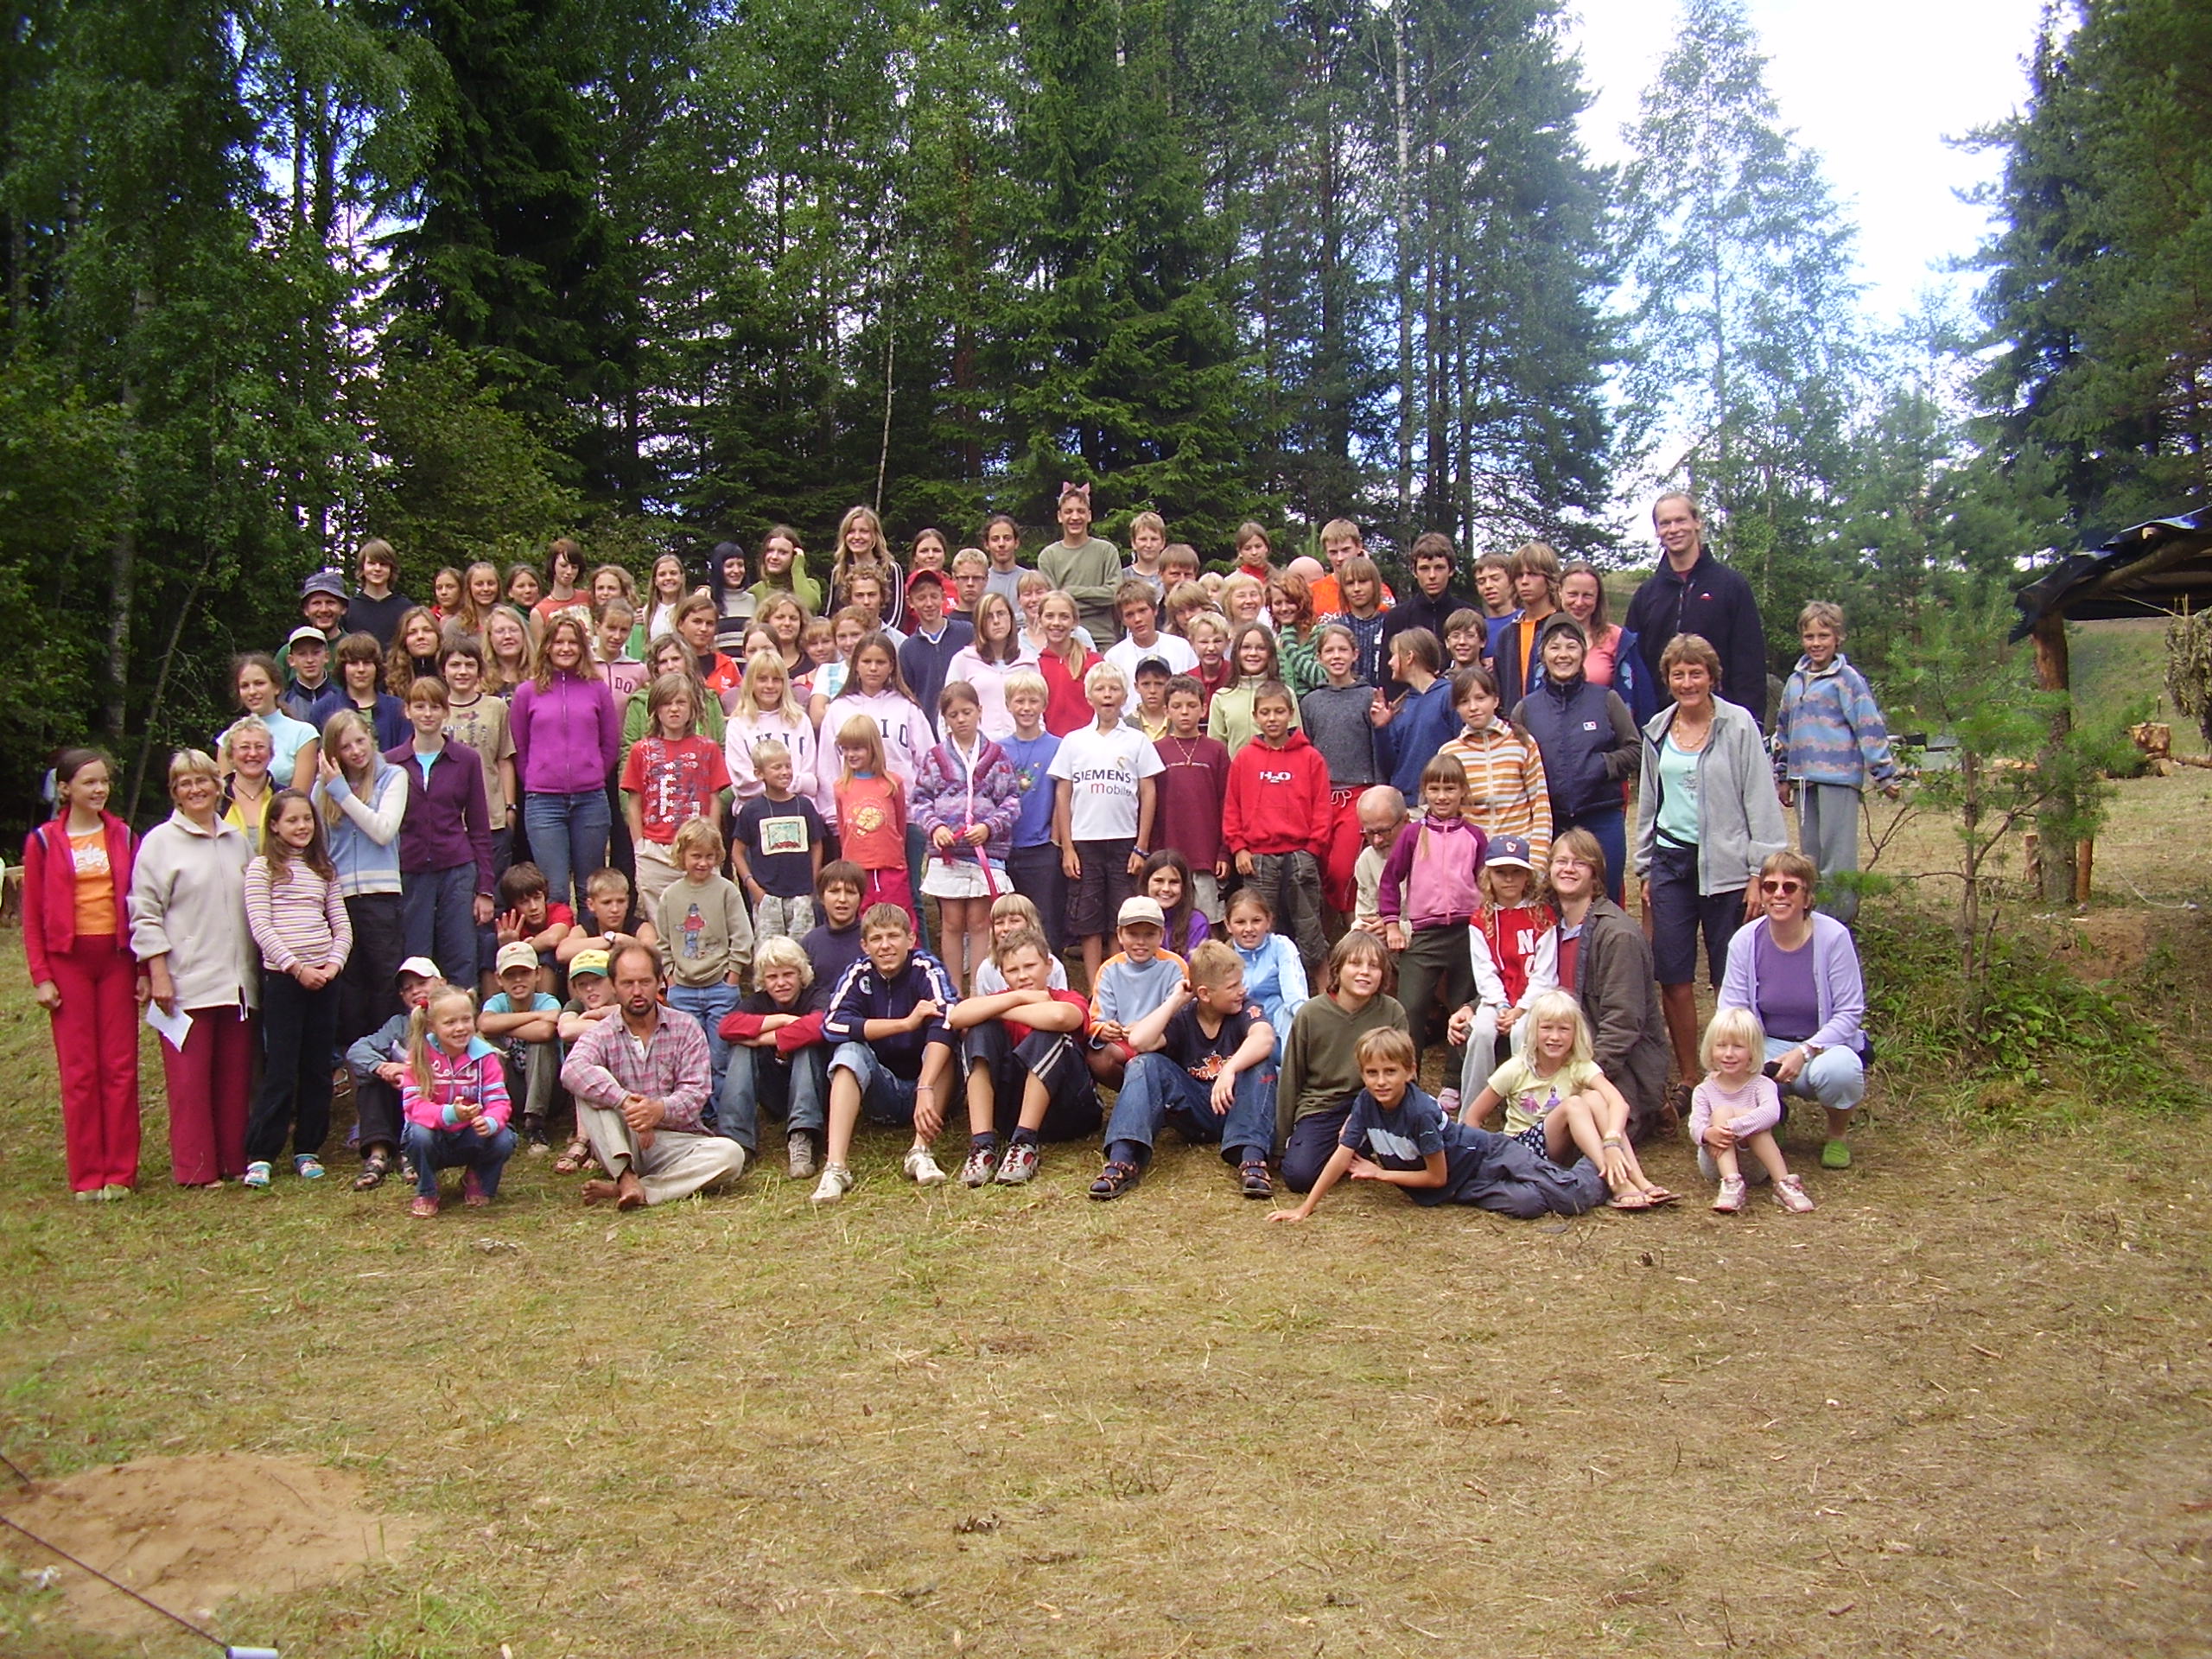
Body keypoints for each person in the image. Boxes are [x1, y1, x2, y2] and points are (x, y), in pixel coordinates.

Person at [1636, 632, 1788, 1113]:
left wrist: (1759, 872)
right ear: (1668, 680)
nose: (1687, 683)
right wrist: (1645, 866)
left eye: (1695, 673)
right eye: (1678, 674)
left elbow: (1759, 798)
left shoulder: (1738, 725)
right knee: (1673, 974)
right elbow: (1649, 802)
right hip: (1671, 863)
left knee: (1730, 979)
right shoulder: (1657, 730)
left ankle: (1734, 1078)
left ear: (1711, 677)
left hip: (1727, 865)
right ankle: (1688, 1077)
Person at [1270, 1027, 1609, 1223]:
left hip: (1488, 1154)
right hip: (1461, 1187)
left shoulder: (1419, 1112)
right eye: (1372, 1073)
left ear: (1410, 1071)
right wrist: (1304, 1208)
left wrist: (1381, 1174)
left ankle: (1599, 1166)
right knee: (1528, 1205)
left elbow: (1436, 1176)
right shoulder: (1365, 1103)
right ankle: (1556, 1173)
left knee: (1571, 1197)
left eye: (1390, 1072)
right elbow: (1341, 1155)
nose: (1381, 1081)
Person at [130, 749, 258, 1189]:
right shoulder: (159, 843)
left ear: (217, 785)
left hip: (237, 983)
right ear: (175, 792)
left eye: (202, 780)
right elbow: (144, 912)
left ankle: (233, 1160)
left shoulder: (236, 840)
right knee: (189, 1084)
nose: (196, 789)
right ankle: (196, 1169)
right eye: (185, 783)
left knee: (234, 1081)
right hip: (185, 981)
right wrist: (158, 972)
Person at [26, 748, 143, 1198]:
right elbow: (33, 916)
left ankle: (120, 1172)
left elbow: (139, 905)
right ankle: (88, 1174)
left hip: (116, 959)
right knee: (80, 1071)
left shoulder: (123, 836)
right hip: (68, 962)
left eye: (104, 782)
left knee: (119, 1067)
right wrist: (41, 976)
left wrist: (143, 968)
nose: (99, 789)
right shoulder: (43, 841)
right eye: (89, 782)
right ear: (65, 788)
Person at [562, 941, 748, 1209]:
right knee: (590, 1080)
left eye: (645, 982)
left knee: (731, 1155)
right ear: (613, 986)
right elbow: (571, 1069)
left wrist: (658, 1111)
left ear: (660, 981)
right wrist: (626, 1103)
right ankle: (626, 1176)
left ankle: (641, 1189)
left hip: (674, 1142)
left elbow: (696, 1093)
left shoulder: (685, 1027)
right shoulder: (601, 1033)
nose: (637, 992)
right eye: (628, 983)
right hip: (622, 1141)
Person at [1718, 849, 1871, 1171]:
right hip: (1766, 1042)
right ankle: (1771, 1118)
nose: (1779, 894)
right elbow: (1732, 1010)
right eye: (1770, 886)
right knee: (1732, 1061)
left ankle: (1837, 1135)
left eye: (1789, 887)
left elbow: (1849, 1012)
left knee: (1840, 1071)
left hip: (1823, 1045)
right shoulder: (1745, 940)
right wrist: (1748, 1053)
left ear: (1807, 897)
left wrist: (1805, 1052)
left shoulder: (1833, 937)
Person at [1088, 938, 1275, 1201]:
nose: (1241, 991)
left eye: (1240, 983)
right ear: (1205, 994)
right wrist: (1175, 1000)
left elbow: (1264, 1037)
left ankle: (1252, 1159)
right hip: (1195, 1109)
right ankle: (1123, 1160)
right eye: (1232, 986)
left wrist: (1230, 1070)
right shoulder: (1184, 1015)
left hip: (1237, 1107)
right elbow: (1139, 1042)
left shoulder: (1246, 1007)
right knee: (1144, 1063)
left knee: (1261, 1063)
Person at [1464, 989, 1672, 1208]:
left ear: (1575, 1033)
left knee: (1594, 1097)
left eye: (1563, 1029)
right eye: (1547, 1028)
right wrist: (1482, 1159)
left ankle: (1640, 1180)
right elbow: (1473, 1116)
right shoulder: (1516, 1068)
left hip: (1561, 1151)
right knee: (1574, 1104)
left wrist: (1611, 1141)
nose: (1555, 1037)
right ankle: (1618, 1183)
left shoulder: (1579, 1065)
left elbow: (1619, 1103)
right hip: (1521, 1151)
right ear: (1533, 1030)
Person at [810, 904, 961, 1203]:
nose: (886, 946)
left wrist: (925, 1086)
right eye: (877, 939)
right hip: (884, 1091)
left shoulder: (925, 968)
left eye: (893, 936)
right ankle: (836, 1168)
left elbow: (948, 1016)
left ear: (910, 939)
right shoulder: (859, 974)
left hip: (930, 1090)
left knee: (943, 1044)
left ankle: (920, 1151)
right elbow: (832, 1024)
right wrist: (904, 1024)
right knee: (848, 1052)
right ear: (865, 946)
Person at [243, 790, 353, 1188]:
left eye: (307, 818)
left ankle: (308, 1148)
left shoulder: (323, 869)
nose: (302, 826)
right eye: (292, 820)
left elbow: (341, 924)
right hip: (285, 979)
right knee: (281, 1067)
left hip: (325, 979)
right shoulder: (262, 869)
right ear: (274, 825)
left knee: (317, 1066)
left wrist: (332, 964)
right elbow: (261, 926)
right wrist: (297, 968)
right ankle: (262, 1153)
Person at [1531, 828, 1669, 1139]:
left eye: (1579, 863)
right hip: (1559, 1051)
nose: (1568, 869)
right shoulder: (1546, 925)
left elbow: (1623, 1023)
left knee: (1583, 1135)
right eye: (1561, 861)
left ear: (1595, 875)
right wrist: (1473, 1008)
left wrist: (1582, 1077)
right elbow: (1517, 983)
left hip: (1616, 1067)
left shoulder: (1617, 936)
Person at [1773, 601, 1900, 925]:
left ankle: (1840, 923)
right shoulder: (1795, 681)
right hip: (1804, 780)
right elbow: (1784, 730)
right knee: (1810, 859)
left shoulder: (1847, 680)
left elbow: (1868, 725)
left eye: (1823, 636)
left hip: (1837, 779)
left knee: (1837, 858)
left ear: (1837, 638)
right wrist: (1783, 775)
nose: (1816, 643)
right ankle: (1811, 920)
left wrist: (1883, 773)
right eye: (1809, 636)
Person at [947, 927, 1099, 1186]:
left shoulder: (1066, 997)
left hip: (1070, 1110)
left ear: (1048, 965)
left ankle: (1024, 1144)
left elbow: (1059, 1017)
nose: (1023, 976)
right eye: (1013, 970)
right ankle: (982, 1146)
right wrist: (1019, 998)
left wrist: (996, 1010)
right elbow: (957, 1016)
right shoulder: (1007, 998)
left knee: (1048, 1032)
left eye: (1030, 966)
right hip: (1011, 1112)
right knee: (980, 1031)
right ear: (1003, 974)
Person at [1049, 661, 1162, 987]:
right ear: (1089, 697)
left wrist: (1141, 846)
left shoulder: (1137, 741)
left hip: (1125, 843)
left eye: (1114, 689)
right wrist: (1068, 847)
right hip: (1085, 842)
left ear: (1125, 696)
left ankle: (1119, 983)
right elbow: (1063, 792)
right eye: (1100, 689)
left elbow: (1148, 791)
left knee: (1120, 918)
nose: (1107, 695)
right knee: (1088, 920)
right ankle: (1096, 987)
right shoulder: (1074, 741)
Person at [1513, 616, 1637, 902]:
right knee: (1552, 903)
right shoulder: (1527, 709)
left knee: (1604, 900)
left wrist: (1603, 765)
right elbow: (1515, 765)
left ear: (1583, 652)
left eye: (1571, 646)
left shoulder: (1606, 699)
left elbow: (1635, 749)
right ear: (1543, 654)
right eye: (1554, 647)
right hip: (1551, 824)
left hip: (1601, 818)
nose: (1563, 655)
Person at [1274, 931, 1408, 1192]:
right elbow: (1291, 1078)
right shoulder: (1311, 1014)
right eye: (1355, 963)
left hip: (1376, 1104)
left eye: (1374, 966)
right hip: (1323, 1106)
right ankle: (1342, 1150)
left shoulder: (1392, 1012)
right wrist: (1279, 1144)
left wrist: (1365, 1111)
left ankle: (1358, 1147)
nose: (1365, 972)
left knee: (1409, 1162)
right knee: (1299, 1176)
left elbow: (1404, 1075)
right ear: (1337, 969)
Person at [1376, 753, 1486, 1071]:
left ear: (1463, 791)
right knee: (1411, 1007)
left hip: (1466, 932)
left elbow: (1485, 884)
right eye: (1434, 789)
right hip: (1424, 935)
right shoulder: (1413, 834)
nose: (1442, 797)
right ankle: (1407, 1076)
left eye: (1450, 789)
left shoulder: (1475, 836)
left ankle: (1454, 1079)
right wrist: (1392, 924)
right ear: (1424, 791)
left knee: (1463, 1006)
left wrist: (1485, 923)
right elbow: (1390, 879)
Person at [1624, 492, 1770, 728]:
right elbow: (1634, 666)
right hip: (1662, 724)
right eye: (1665, 523)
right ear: (1658, 531)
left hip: (1722, 722)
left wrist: (1752, 722)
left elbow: (1750, 661)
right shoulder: (1646, 595)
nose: (1674, 529)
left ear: (1697, 522)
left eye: (1680, 520)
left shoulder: (1731, 586)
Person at [389, 676, 495, 988]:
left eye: (435, 707)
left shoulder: (466, 759)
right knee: (415, 957)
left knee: (461, 954)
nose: (427, 714)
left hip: (456, 867)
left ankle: (464, 1014)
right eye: (419, 706)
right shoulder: (391, 763)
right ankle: (418, 1017)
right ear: (407, 711)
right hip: (410, 870)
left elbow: (479, 827)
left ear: (446, 711)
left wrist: (485, 889)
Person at [913, 682, 1019, 995]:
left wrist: (989, 827)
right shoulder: (935, 757)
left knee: (980, 921)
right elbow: (919, 801)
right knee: (951, 922)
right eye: (953, 715)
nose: (961, 719)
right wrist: (936, 828)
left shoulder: (997, 756)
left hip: (985, 853)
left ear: (979, 712)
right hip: (949, 855)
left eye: (967, 712)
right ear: (944, 719)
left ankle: (977, 990)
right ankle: (953, 991)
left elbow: (1012, 801)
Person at [315, 709, 409, 1052]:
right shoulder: (322, 789)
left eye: (360, 741)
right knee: (349, 985)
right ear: (334, 752)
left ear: (371, 737)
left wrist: (342, 792)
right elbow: (319, 845)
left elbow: (383, 831)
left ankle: (388, 1054)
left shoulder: (393, 777)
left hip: (381, 894)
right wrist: (333, 789)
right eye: (346, 746)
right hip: (339, 897)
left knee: (384, 979)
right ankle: (355, 1060)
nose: (356, 751)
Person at [1224, 681, 1329, 983]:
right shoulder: (1245, 758)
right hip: (1258, 859)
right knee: (1260, 929)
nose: (1272, 718)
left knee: (1309, 930)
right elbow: (1232, 807)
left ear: (1291, 713)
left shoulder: (1311, 758)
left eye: (1279, 711)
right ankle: (1261, 990)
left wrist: (1313, 849)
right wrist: (1238, 847)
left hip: (1300, 855)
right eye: (1266, 712)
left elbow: (1322, 807)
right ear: (1255, 716)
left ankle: (1323, 997)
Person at [1443, 835, 1554, 1107]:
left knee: (1520, 1034)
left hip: (1533, 1002)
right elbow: (1484, 971)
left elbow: (1546, 974)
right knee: (1481, 1032)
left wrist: (1520, 1009)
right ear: (1488, 876)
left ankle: (1523, 1108)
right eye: (1501, 872)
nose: (1509, 879)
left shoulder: (1543, 916)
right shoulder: (1481, 919)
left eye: (1517, 872)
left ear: (1527, 877)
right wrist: (1502, 1006)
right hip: (1497, 1000)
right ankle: (1473, 1109)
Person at [656, 818, 753, 1109]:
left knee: (720, 1056)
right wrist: (671, 978)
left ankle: (726, 1114)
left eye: (709, 856)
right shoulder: (670, 896)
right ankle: (698, 1113)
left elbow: (742, 935)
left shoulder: (726, 890)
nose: (703, 863)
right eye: (696, 856)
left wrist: (733, 975)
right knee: (690, 1057)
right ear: (682, 855)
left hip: (719, 987)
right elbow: (663, 941)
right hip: (683, 989)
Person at [400, 982, 518, 1217]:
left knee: (504, 1138)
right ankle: (427, 1189)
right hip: (433, 1136)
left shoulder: (485, 1056)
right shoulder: (420, 1054)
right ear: (432, 1025)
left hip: (471, 1134)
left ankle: (477, 1177)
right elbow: (413, 1105)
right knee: (419, 1134)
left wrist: (490, 1121)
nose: (460, 1028)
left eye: (466, 1019)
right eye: (450, 1022)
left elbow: (499, 1101)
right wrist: (449, 1114)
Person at [620, 671, 730, 911]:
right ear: (655, 709)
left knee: (703, 914)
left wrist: (711, 842)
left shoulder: (708, 749)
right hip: (656, 850)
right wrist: (640, 847)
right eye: (666, 703)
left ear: (692, 708)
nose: (674, 709)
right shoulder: (642, 751)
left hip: (698, 848)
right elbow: (634, 803)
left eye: (681, 702)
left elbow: (715, 799)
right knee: (662, 917)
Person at [1691, 1006, 1815, 1213]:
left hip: (1757, 1164)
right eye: (1721, 1046)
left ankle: (1783, 1183)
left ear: (1752, 1051)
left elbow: (1771, 1114)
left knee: (1755, 1120)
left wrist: (1730, 1127)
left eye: (1738, 1047)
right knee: (1722, 1112)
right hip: (1716, 1163)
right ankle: (1731, 1183)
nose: (1728, 1054)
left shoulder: (1762, 1085)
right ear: (1710, 1049)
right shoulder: (1704, 1090)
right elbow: (1695, 1124)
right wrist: (1708, 1133)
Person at [1437, 664, 1551, 868]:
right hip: (1471, 861)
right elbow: (1445, 814)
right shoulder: (1450, 753)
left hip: (1518, 857)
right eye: (1464, 701)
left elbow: (1541, 807)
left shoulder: (1522, 743)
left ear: (1495, 700)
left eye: (1480, 698)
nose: (1473, 707)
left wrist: (1537, 864)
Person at [1300, 624, 1380, 914]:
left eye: (1343, 650)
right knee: (1320, 868)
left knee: (1342, 869)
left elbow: (1377, 746)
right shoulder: (1311, 702)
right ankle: (1332, 930)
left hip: (1358, 794)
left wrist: (1379, 793)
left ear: (1355, 654)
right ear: (1319, 657)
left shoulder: (1368, 696)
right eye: (1329, 651)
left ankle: (1351, 921)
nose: (1336, 656)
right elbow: (1307, 751)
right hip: (1322, 797)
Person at [437, 638, 518, 880]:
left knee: (491, 887)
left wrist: (509, 807)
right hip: (448, 819)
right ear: (443, 670)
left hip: (491, 817)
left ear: (480, 670)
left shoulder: (496, 707)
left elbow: (504, 759)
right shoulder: (434, 710)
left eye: (469, 665)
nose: (462, 672)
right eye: (455, 665)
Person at [1153, 674, 1230, 923]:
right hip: (1168, 855)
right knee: (1168, 921)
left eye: (1192, 705)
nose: (1184, 712)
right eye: (1177, 706)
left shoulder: (1216, 750)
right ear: (1166, 710)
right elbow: (1151, 806)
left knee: (1207, 921)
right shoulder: (1156, 750)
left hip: (1206, 855)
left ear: (1203, 709)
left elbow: (1226, 803)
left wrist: (1224, 852)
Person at [732, 740, 826, 944]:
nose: (785, 772)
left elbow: (817, 844)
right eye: (777, 767)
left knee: (801, 951)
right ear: (759, 773)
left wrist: (813, 880)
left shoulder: (804, 806)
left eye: (788, 766)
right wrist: (752, 885)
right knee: (768, 951)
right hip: (768, 897)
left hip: (801, 896)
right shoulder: (752, 810)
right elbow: (737, 852)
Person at [1558, 560, 1656, 722]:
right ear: (1560, 592)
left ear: (1598, 598)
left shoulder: (1619, 639)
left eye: (1587, 595)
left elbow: (1642, 698)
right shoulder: (1544, 639)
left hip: (1606, 731)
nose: (1579, 602)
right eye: (1573, 594)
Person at [1370, 627, 1457, 804]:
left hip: (1442, 802)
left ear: (1409, 657)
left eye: (1394, 655)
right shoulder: (1399, 706)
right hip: (1407, 805)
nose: (1390, 662)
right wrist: (1381, 729)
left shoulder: (1448, 695)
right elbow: (1389, 766)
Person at [1039, 482, 1123, 645]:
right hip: (1063, 639)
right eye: (1068, 512)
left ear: (1089, 515)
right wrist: (1097, 604)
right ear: (1060, 516)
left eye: (1081, 511)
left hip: (1102, 639)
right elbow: (1052, 605)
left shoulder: (1106, 551)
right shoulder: (1048, 556)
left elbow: (1114, 595)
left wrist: (1070, 591)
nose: (1075, 517)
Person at [226, 652, 321, 789]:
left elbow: (300, 795)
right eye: (245, 686)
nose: (252, 692)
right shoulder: (228, 738)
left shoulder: (303, 734)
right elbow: (225, 794)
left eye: (259, 683)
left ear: (276, 687)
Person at [896, 569, 974, 736]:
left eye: (934, 596)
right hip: (928, 731)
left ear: (943, 597)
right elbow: (908, 696)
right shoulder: (908, 649)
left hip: (966, 725)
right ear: (910, 602)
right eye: (921, 598)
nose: (929, 604)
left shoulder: (967, 633)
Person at [945, 593, 1033, 741]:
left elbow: (1039, 710)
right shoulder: (963, 660)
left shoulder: (1028, 661)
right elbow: (947, 709)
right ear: (980, 623)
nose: (996, 621)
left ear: (1011, 618)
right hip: (980, 747)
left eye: (1001, 614)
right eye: (989, 617)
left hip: (1022, 744)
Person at [1379, 531, 1472, 668]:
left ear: (1451, 570)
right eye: (1424, 569)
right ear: (1414, 572)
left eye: (1439, 568)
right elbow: (1387, 672)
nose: (1432, 576)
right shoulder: (1397, 618)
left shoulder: (1470, 616)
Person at [1488, 541, 1563, 709]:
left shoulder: (1562, 627)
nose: (1524, 581)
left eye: (1533, 574)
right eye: (1519, 575)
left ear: (1549, 578)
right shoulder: (1507, 635)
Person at [1208, 624, 1302, 756]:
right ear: (1236, 652)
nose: (1253, 653)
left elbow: (1297, 743)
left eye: (1261, 648)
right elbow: (1216, 750)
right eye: (1246, 647)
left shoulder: (1286, 693)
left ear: (1270, 653)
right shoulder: (1221, 698)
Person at [310, 632, 410, 752]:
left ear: (376, 667)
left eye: (367, 663)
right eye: (353, 663)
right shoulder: (322, 710)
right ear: (343, 668)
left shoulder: (398, 708)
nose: (361, 669)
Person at [830, 504, 907, 634]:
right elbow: (832, 614)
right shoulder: (839, 571)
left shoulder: (891, 569)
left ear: (874, 536)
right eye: (851, 531)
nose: (857, 537)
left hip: (884, 641)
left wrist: (873, 640)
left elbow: (897, 617)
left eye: (864, 531)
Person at [1034, 590, 1104, 736]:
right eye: (1049, 616)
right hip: (1052, 744)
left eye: (1064, 617)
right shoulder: (1036, 666)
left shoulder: (1094, 662)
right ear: (1040, 621)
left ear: (1075, 622)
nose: (1056, 623)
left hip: (1089, 742)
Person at [1104, 578, 1198, 682]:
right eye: (1130, 614)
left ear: (1155, 610)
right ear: (1123, 620)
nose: (1137, 619)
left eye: (1142, 611)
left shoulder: (1181, 648)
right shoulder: (1114, 658)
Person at [1350, 785, 1406, 935]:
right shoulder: (1367, 859)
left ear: (1406, 820)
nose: (1377, 841)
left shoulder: (1429, 851)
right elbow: (1365, 915)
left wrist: (1398, 929)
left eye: (1384, 831)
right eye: (1369, 833)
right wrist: (1365, 929)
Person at [346, 537, 414, 646]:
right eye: (371, 563)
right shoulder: (348, 608)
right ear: (362, 568)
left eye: (383, 564)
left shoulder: (406, 608)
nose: (377, 569)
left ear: (391, 569)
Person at [1141, 849, 1209, 957]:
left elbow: (1193, 964)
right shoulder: (1133, 919)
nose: (1166, 889)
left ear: (1184, 887)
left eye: (1174, 882)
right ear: (1146, 883)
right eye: (1159, 881)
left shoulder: (1197, 922)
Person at [384, 606, 448, 702]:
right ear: (404, 640)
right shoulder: (389, 677)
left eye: (427, 630)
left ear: (438, 636)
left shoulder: (451, 671)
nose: (420, 636)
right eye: (412, 632)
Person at [279, 626, 335, 721]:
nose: (310, 660)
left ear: (326, 657)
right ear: (291, 660)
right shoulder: (283, 705)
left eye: (316, 653)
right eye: (302, 654)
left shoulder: (342, 699)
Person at [981, 512, 1027, 608]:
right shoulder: (980, 582)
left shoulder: (1030, 580)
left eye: (1007, 538)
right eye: (995, 539)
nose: (1001, 544)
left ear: (1016, 543)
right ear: (986, 545)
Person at [1125, 510, 1167, 594]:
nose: (1149, 545)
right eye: (1143, 539)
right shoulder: (1123, 577)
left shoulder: (1170, 577)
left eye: (1154, 539)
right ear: (1133, 543)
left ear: (1163, 542)